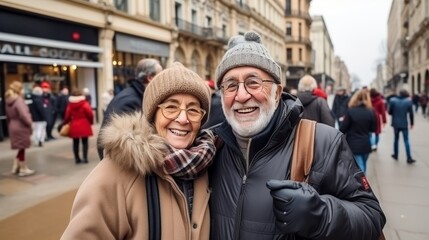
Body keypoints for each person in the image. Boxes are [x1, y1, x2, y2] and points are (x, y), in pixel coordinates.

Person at [209, 31, 385, 240]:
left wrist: (321, 215)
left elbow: (371, 215)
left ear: (276, 93)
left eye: (253, 82)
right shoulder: (210, 147)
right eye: (230, 85)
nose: (241, 95)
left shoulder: (323, 142)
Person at [61, 62, 214, 239]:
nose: (183, 118)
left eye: (193, 110)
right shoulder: (116, 173)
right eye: (171, 107)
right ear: (152, 115)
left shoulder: (207, 165)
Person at [97, 58, 163, 159]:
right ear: (150, 77)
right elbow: (109, 144)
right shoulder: (130, 101)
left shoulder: (138, 95)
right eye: (160, 76)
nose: (162, 80)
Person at [340, 89, 377, 173]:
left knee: (360, 167)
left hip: (354, 143)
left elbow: (343, 129)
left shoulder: (351, 111)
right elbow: (373, 128)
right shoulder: (371, 111)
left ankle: (363, 185)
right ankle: (364, 183)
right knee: (363, 164)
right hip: (366, 143)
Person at [5, 81, 35, 176]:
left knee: (20, 148)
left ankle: (16, 166)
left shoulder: (9, 100)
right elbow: (24, 115)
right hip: (21, 127)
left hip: (13, 125)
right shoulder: (18, 100)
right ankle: (23, 168)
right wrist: (30, 123)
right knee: (22, 147)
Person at [63, 89, 94, 164]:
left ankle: (77, 159)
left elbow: (67, 116)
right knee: (85, 142)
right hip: (84, 124)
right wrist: (90, 122)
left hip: (74, 124)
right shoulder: (84, 103)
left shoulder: (70, 105)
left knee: (75, 143)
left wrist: (65, 123)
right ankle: (85, 158)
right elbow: (90, 114)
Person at [388, 89, 416, 163]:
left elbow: (389, 112)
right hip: (404, 123)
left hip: (395, 123)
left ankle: (396, 154)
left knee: (396, 139)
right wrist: (412, 123)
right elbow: (411, 114)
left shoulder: (392, 100)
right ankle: (409, 157)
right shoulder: (408, 101)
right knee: (406, 140)